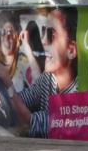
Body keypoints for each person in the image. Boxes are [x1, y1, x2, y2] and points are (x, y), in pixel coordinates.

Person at [10, 7, 78, 138]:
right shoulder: (48, 78)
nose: (43, 41)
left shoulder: (80, 92)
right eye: (43, 31)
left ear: (71, 50)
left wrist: (5, 83)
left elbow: (32, 123)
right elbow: (24, 99)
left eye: (51, 33)